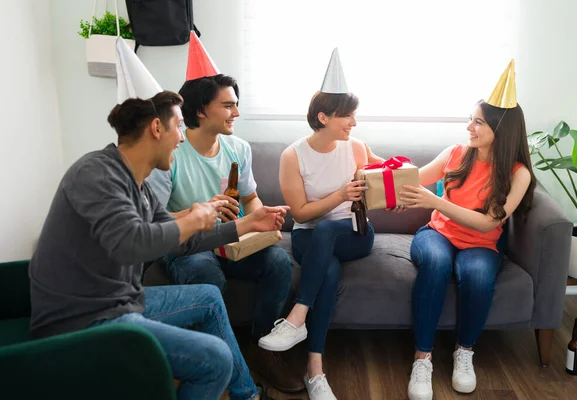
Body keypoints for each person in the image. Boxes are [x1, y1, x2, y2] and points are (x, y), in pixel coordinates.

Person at [29, 38, 287, 400]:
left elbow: (184, 239)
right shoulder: (96, 173)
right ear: (155, 128)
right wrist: (195, 216)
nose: (182, 139)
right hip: (84, 319)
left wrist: (247, 224)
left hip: (120, 301)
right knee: (213, 360)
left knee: (209, 297)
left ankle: (246, 394)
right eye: (179, 128)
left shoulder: (138, 185)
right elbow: (131, 242)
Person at [147, 32, 297, 393]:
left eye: (236, 104)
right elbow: (158, 223)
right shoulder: (171, 153)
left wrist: (266, 219)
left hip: (234, 241)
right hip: (189, 247)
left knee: (279, 263)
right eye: (228, 105)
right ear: (201, 111)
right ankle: (220, 358)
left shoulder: (238, 149)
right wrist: (204, 212)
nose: (237, 113)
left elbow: (251, 201)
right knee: (204, 274)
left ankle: (263, 350)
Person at [396, 60, 536, 400]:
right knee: (437, 264)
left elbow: (490, 222)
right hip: (438, 235)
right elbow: (413, 179)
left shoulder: (518, 174)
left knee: (475, 276)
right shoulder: (456, 153)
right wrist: (376, 169)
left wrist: (437, 201)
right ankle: (423, 357)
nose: (469, 127)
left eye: (478, 122)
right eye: (470, 119)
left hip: (481, 244)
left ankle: (465, 352)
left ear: (501, 130)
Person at [258, 49, 382, 400]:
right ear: (324, 116)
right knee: (326, 269)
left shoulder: (356, 147)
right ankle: (315, 370)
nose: (354, 123)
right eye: (348, 116)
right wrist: (342, 193)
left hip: (355, 234)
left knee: (329, 231)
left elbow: (389, 177)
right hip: (308, 237)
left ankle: (296, 318)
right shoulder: (293, 156)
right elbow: (301, 214)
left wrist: (399, 192)